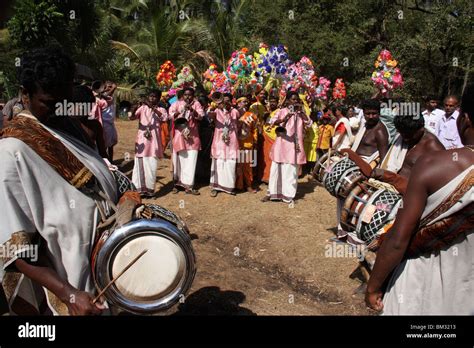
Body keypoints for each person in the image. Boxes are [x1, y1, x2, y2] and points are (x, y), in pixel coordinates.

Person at [0, 48, 117, 315]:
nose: (60, 109)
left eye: (66, 100)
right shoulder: (10, 151)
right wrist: (69, 294)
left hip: (103, 268)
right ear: (24, 94)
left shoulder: (67, 126)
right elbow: (17, 247)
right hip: (69, 283)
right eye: (50, 102)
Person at [366, 84, 474, 315]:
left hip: (421, 282)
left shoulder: (432, 162)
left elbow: (398, 239)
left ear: (464, 119)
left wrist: (373, 287)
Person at [371, 113, 445, 195]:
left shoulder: (433, 147)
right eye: (402, 133)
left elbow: (435, 186)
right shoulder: (401, 137)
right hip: (384, 187)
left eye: (409, 135)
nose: (405, 138)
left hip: (408, 197)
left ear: (421, 129)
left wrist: (393, 179)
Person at [261, 91, 311, 203]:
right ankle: (272, 193)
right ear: (287, 100)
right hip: (281, 144)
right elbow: (271, 121)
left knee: (290, 171)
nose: (295, 101)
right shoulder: (281, 111)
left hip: (293, 146)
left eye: (297, 99)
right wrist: (284, 118)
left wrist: (302, 113)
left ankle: (288, 195)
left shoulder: (300, 113)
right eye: (293, 99)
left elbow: (309, 124)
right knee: (275, 170)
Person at [129, 89, 169, 197]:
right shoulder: (142, 108)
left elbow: (165, 118)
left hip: (154, 142)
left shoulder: (161, 109)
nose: (152, 98)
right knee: (140, 164)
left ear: (159, 98)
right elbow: (132, 117)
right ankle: (139, 190)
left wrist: (152, 107)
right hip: (142, 141)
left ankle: (149, 190)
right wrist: (133, 108)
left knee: (151, 165)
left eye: (154, 97)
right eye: (150, 96)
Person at [168, 87, 204, 195]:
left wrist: (192, 110)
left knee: (191, 160)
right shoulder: (177, 104)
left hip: (192, 136)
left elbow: (201, 116)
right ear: (183, 95)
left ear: (193, 96)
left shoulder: (196, 104)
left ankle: (189, 185)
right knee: (179, 160)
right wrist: (180, 111)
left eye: (190, 95)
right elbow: (170, 115)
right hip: (179, 136)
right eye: (186, 95)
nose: (188, 97)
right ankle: (177, 184)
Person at [208, 93, 240, 196]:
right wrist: (214, 107)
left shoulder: (234, 111)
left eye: (227, 100)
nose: (225, 102)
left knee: (230, 163)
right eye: (223, 100)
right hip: (219, 141)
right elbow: (209, 115)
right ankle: (215, 186)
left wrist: (229, 109)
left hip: (232, 140)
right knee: (219, 162)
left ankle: (229, 187)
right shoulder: (216, 110)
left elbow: (239, 117)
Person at [350, 99, 390, 164]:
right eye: (368, 114)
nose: (371, 117)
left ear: (379, 113)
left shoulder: (380, 131)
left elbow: (384, 158)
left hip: (366, 168)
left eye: (374, 114)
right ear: (363, 113)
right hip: (353, 162)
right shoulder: (365, 126)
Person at [236, 97, 258, 193]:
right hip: (235, 144)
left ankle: (248, 185)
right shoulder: (234, 114)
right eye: (243, 102)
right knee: (238, 166)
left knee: (247, 166)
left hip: (247, 144)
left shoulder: (252, 115)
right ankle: (238, 186)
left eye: (246, 102)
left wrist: (255, 141)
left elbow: (255, 130)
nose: (246, 103)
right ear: (238, 103)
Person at [258, 94, 280, 184]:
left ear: (277, 103)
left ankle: (270, 177)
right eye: (270, 102)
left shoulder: (279, 111)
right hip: (265, 137)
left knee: (271, 158)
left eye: (274, 102)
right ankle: (263, 176)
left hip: (273, 138)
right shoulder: (267, 112)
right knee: (263, 157)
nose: (272, 104)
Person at [100, 81, 119, 162]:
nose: (109, 89)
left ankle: (111, 161)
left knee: (111, 145)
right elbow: (105, 96)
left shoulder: (110, 97)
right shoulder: (102, 97)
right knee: (103, 145)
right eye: (108, 87)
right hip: (104, 124)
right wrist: (113, 88)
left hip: (110, 124)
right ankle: (105, 161)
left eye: (110, 87)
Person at [303, 111, 319, 175]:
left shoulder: (317, 124)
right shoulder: (308, 123)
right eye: (313, 116)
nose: (314, 117)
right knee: (306, 157)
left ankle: (310, 170)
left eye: (315, 116)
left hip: (314, 142)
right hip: (307, 142)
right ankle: (305, 171)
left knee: (312, 158)